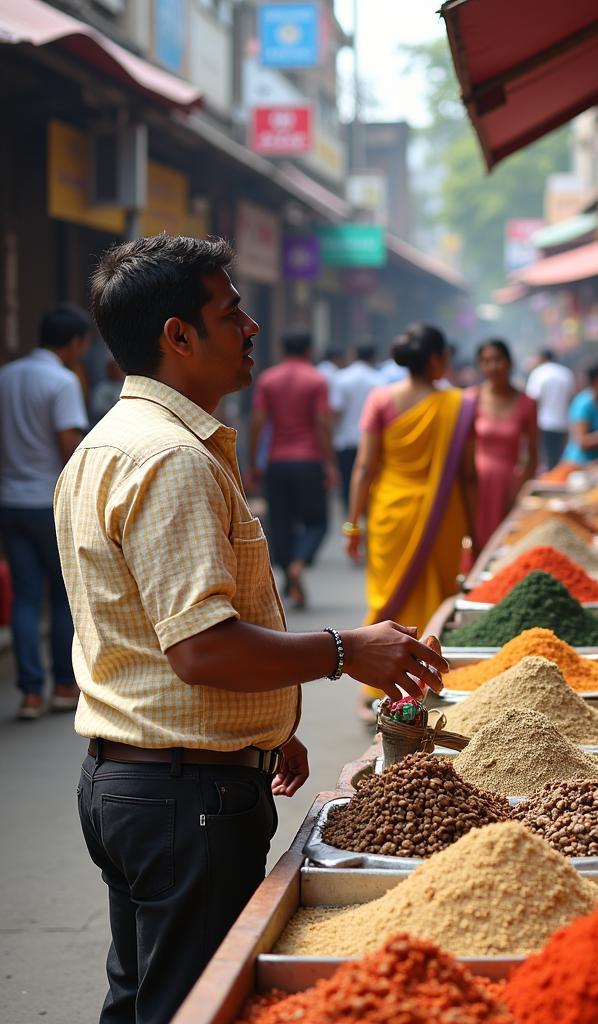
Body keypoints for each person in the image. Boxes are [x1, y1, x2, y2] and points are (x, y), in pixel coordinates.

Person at [56, 234, 447, 1024]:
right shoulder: (171, 459)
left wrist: (259, 725)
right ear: (178, 336)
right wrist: (345, 651)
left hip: (136, 778)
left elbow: (146, 632)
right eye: (231, 312)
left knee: (140, 1000)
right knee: (187, 1006)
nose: (252, 328)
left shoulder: (110, 443)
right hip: (180, 798)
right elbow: (200, 648)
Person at [347, 323, 477, 633]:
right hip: (444, 516)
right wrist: (475, 532)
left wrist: (352, 524)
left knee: (390, 596)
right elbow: (469, 475)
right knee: (438, 601)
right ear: (436, 359)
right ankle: (432, 671)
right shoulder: (459, 405)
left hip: (391, 515)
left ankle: (384, 672)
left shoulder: (381, 400)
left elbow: (365, 467)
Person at [0, 303, 91, 720]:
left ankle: (30, 693)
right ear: (74, 343)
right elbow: (69, 443)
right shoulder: (62, 380)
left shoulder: (6, 376)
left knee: (25, 596)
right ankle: (61, 685)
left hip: (10, 501)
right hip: (48, 501)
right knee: (63, 596)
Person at [248, 329, 338, 609]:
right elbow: (322, 423)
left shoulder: (268, 379)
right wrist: (329, 463)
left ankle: (289, 575)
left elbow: (258, 422)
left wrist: (253, 462)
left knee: (281, 521)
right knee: (317, 522)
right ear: (309, 350)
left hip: (276, 461)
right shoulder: (316, 379)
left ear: (282, 349)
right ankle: (299, 564)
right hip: (308, 460)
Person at [469, 339, 538, 547]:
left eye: (497, 360)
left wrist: (520, 490)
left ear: (509, 362)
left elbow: (533, 455)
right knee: (473, 542)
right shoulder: (470, 399)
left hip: (509, 488)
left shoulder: (527, 403)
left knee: (502, 545)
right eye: (486, 361)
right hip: (474, 485)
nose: (492, 367)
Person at [328, 343, 383, 513]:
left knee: (347, 485)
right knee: (371, 484)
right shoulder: (379, 379)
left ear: (354, 354)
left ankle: (351, 521)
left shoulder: (342, 378)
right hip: (370, 441)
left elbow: (335, 411)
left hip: (344, 442)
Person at [525, 348, 575, 470]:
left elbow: (532, 400)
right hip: (563, 423)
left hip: (543, 423)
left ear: (542, 358)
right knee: (557, 459)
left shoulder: (538, 373)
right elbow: (571, 399)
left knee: (543, 460)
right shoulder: (566, 373)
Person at [90, 356, 126, 424]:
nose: (117, 370)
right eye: (113, 367)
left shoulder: (126, 385)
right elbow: (98, 411)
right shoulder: (102, 388)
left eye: (119, 367)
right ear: (108, 369)